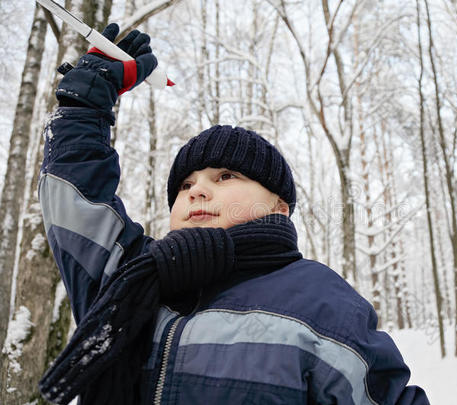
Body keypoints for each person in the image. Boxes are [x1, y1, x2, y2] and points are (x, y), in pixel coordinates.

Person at [37, 24, 430, 405]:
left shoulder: (322, 302)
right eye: (185, 185)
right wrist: (84, 107)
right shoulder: (131, 279)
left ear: (280, 207)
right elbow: (77, 200)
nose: (198, 191)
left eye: (226, 176)